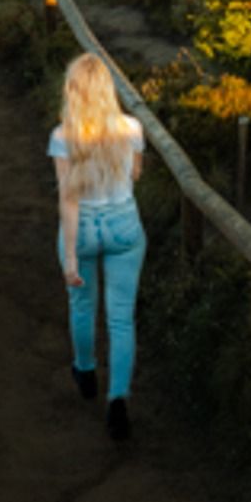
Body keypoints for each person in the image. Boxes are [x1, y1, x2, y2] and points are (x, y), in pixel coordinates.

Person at [50, 51, 146, 441]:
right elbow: (135, 173)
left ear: (73, 91)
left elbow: (67, 199)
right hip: (124, 224)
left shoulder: (62, 137)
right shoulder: (132, 127)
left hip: (84, 228)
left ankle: (85, 369)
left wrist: (71, 254)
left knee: (81, 304)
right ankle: (118, 398)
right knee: (121, 318)